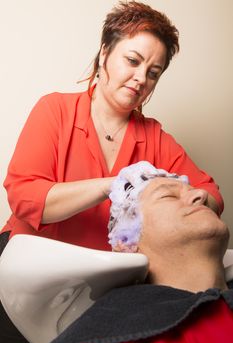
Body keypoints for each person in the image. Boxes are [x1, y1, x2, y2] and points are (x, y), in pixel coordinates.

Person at [0, 1, 223, 253]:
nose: (141, 78)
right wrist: (114, 184)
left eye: (153, 73)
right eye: (132, 60)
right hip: (29, 261)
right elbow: (25, 197)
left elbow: (211, 193)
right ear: (104, 53)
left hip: (103, 279)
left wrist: (183, 197)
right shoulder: (55, 109)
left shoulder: (154, 137)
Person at [44, 162, 233, 343]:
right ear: (126, 242)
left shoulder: (162, 141)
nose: (202, 194)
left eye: (195, 191)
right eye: (168, 195)